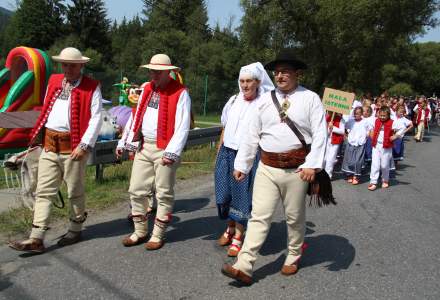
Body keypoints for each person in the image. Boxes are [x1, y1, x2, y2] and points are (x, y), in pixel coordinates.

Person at [221, 49, 327, 285]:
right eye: (277, 72)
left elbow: (320, 134)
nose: (280, 76)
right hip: (267, 168)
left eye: (285, 72)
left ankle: (294, 253)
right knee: (259, 217)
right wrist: (243, 164)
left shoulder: (310, 98)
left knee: (293, 217)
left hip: (298, 170)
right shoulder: (265, 101)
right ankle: (244, 265)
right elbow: (251, 135)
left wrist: (313, 165)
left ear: (297, 74)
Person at [9, 47, 103, 253]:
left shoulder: (91, 86)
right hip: (50, 145)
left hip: (74, 147)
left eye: (72, 65)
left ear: (81, 66)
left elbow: (96, 117)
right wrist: (41, 138)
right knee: (43, 191)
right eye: (65, 64)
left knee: (74, 191)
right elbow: (47, 109)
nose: (67, 68)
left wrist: (84, 145)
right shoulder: (54, 81)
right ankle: (37, 237)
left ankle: (76, 228)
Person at [116, 54, 191, 250]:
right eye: (152, 71)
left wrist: (172, 152)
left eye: (158, 72)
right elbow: (136, 116)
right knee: (136, 189)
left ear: (168, 72)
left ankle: (157, 234)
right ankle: (140, 231)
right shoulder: (147, 89)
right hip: (144, 146)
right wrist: (127, 141)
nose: (154, 75)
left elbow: (183, 125)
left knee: (164, 192)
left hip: (165, 148)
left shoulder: (180, 92)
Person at [215, 62, 274, 257]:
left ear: (258, 82)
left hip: (248, 156)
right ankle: (230, 228)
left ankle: (238, 236)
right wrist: (219, 150)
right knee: (224, 194)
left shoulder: (263, 103)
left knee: (242, 196)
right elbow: (225, 126)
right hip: (227, 152)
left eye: (249, 81)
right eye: (242, 81)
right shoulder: (233, 100)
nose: (245, 85)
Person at [368, 106, 404, 191]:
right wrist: (370, 132)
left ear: (388, 115)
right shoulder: (375, 120)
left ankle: (385, 180)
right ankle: (373, 182)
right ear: (378, 114)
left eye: (384, 116)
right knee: (375, 165)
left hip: (386, 147)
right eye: (381, 115)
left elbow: (402, 128)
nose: (382, 117)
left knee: (384, 165)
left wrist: (395, 136)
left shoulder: (392, 122)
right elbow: (368, 125)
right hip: (376, 146)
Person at [341, 107, 371, 185]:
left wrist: (367, 135)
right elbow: (344, 127)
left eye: (357, 113)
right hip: (351, 142)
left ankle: (356, 176)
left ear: (361, 114)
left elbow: (369, 130)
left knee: (358, 161)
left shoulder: (365, 122)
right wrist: (346, 136)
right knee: (349, 160)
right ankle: (350, 175)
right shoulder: (351, 121)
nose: (356, 115)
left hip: (360, 143)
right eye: (355, 113)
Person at [323, 112, 345, 179]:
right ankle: (322, 173)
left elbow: (342, 131)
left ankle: (328, 175)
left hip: (335, 141)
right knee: (324, 158)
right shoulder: (326, 117)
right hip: (326, 140)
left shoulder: (341, 120)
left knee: (330, 159)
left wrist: (333, 128)